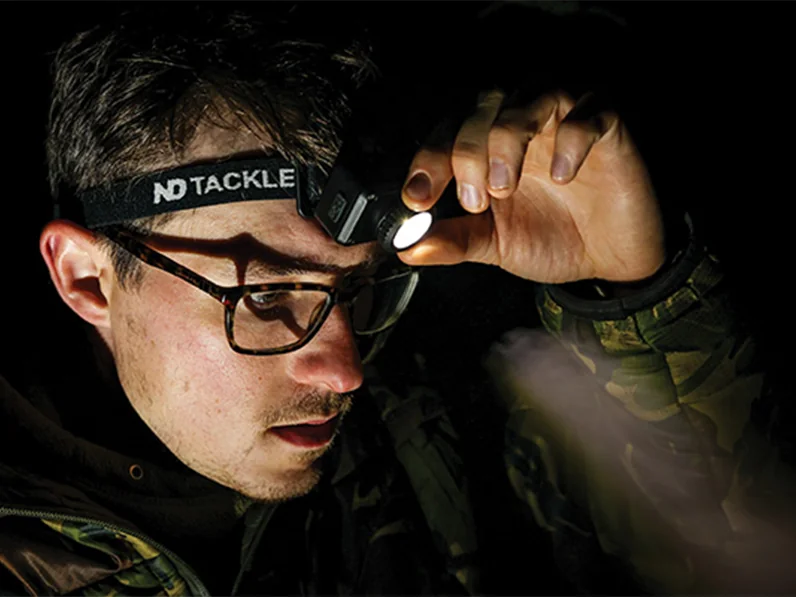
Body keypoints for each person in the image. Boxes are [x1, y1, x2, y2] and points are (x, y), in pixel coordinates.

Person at [1, 4, 793, 596]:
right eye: (268, 293)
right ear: (86, 278)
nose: (346, 369)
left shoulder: (418, 425)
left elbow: (744, 561)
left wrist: (631, 295)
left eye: (355, 288)